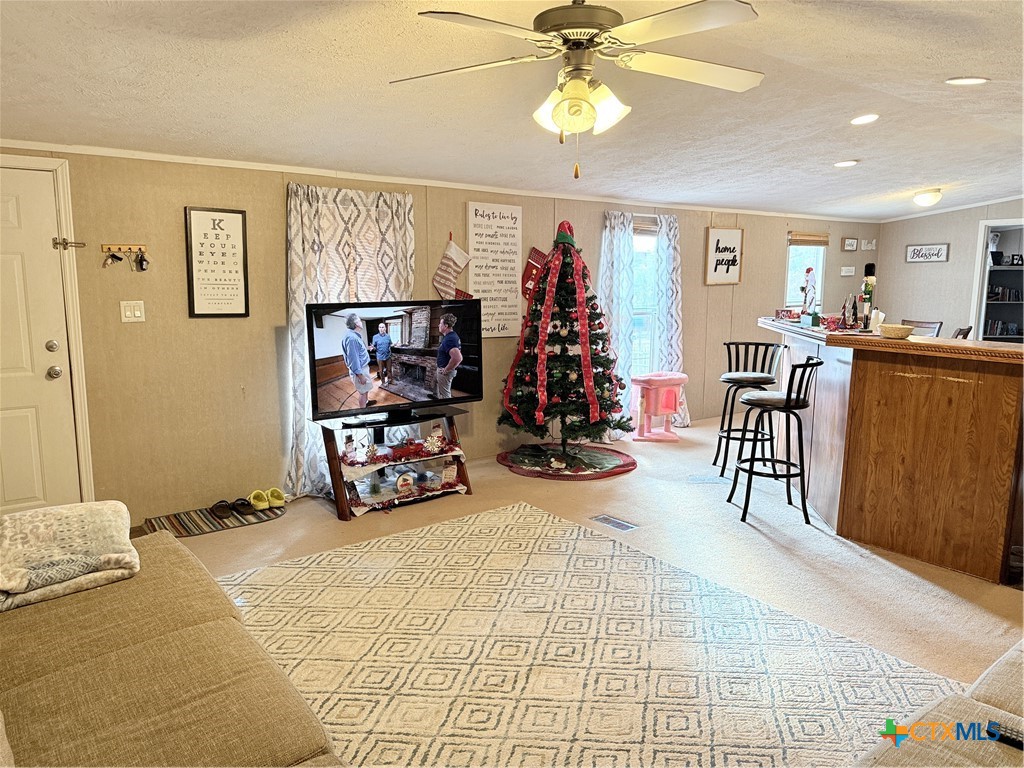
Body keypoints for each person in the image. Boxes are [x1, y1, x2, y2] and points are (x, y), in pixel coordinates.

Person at [340, 313, 375, 408]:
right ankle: (363, 412)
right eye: (359, 320)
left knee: (365, 389)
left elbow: (357, 351)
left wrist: (367, 347)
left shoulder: (354, 335)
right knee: (362, 392)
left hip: (363, 368)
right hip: (360, 370)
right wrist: (360, 376)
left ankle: (366, 402)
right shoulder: (352, 338)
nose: (361, 322)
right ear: (356, 324)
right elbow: (353, 359)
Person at [435, 312, 463, 399]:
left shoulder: (450, 339)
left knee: (445, 396)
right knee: (440, 391)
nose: (438, 325)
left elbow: (458, 358)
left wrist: (446, 370)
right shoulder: (450, 336)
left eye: (440, 323)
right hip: (443, 370)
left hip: (445, 372)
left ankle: (445, 410)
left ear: (446, 326)